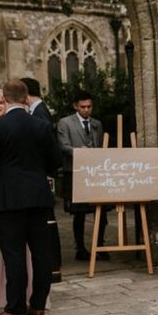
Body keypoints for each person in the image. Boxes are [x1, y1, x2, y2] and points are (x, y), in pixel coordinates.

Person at [0, 79, 61, 315]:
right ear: (26, 98)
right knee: (41, 253)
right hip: (38, 196)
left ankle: (15, 308)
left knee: (14, 255)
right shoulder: (42, 126)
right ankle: (37, 305)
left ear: (6, 98)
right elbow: (55, 162)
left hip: (8, 198)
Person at [56, 91, 109, 262]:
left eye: (89, 107)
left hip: (95, 172)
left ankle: (99, 245)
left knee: (101, 210)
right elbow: (63, 146)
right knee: (79, 213)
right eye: (83, 107)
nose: (86, 110)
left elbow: (100, 144)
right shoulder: (65, 123)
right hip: (75, 171)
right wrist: (80, 152)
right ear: (75, 106)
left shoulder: (97, 124)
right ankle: (80, 248)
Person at [20, 78, 62, 284]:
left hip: (38, 180)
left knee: (45, 230)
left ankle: (53, 270)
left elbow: (51, 152)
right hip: (37, 180)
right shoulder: (38, 112)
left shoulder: (40, 113)